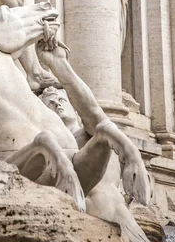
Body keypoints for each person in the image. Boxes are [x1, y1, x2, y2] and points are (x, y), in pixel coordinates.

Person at [41, 87, 149, 242]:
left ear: (75, 110)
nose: (57, 104)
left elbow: (94, 112)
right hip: (83, 229)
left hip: (119, 225)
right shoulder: (52, 147)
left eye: (61, 100)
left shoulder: (89, 132)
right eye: (50, 104)